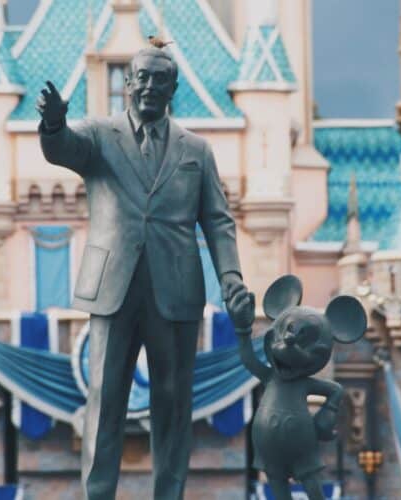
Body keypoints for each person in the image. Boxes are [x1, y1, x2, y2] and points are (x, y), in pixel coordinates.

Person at [37, 47, 253, 499]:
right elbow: (63, 150)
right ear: (128, 83)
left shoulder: (196, 149)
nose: (150, 87)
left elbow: (217, 219)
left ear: (174, 90)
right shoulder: (98, 134)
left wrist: (230, 276)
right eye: (142, 78)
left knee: (173, 405)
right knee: (105, 400)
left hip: (176, 289)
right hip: (113, 285)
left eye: (160, 80)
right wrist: (54, 124)